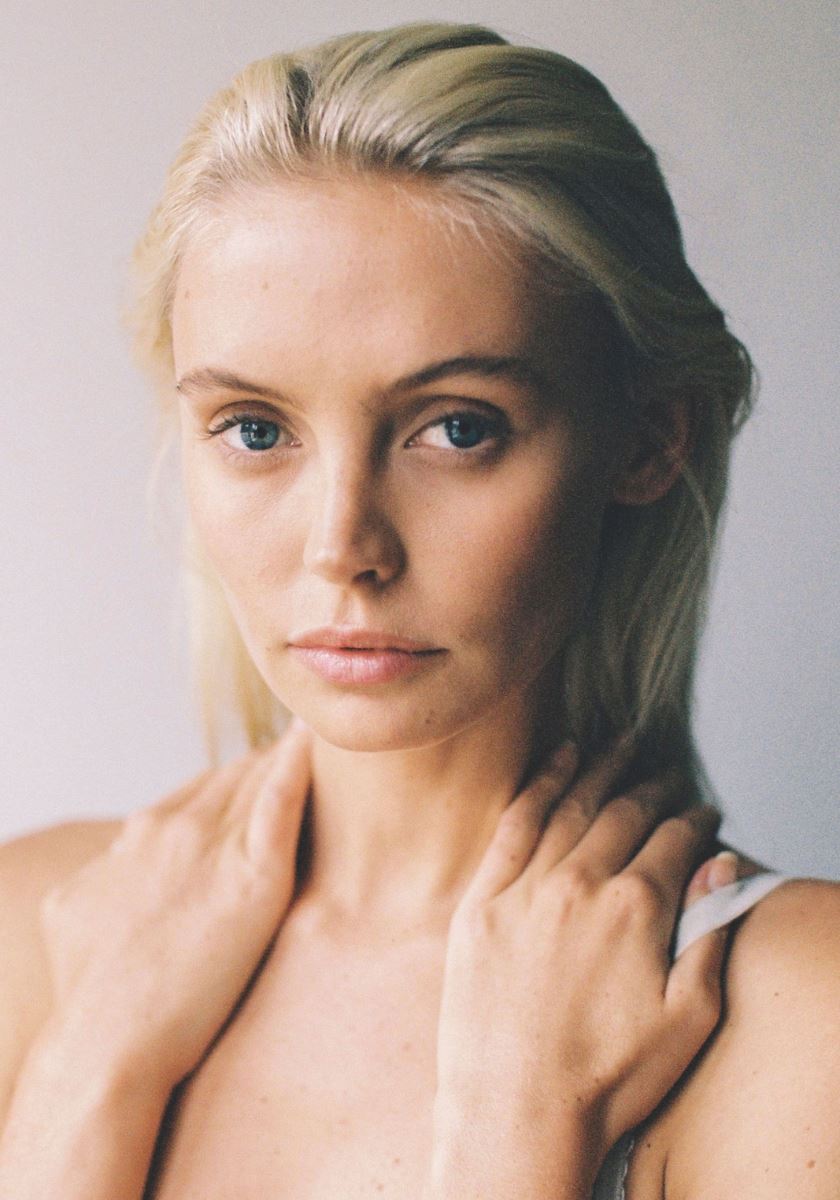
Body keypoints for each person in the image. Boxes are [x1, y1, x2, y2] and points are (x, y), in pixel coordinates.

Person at [0, 19, 836, 1200]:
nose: (343, 546)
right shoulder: (39, 933)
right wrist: (85, 1077)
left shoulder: (794, 1018)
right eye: (255, 429)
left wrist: (522, 1131)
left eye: (457, 427)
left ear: (648, 439)